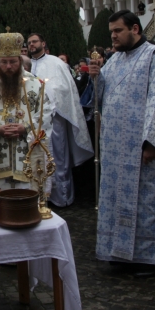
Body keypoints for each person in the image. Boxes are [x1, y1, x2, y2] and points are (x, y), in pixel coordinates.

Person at [89, 10, 155, 277]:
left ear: (135, 29)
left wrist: (153, 142)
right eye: (111, 32)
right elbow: (100, 101)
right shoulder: (114, 61)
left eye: (118, 31)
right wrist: (95, 79)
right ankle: (120, 252)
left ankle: (150, 258)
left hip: (143, 149)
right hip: (116, 150)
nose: (113, 36)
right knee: (117, 201)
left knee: (147, 201)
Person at [0, 31, 54, 192]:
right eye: (4, 62)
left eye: (13, 61)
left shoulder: (35, 84)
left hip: (27, 152)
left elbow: (46, 112)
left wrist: (25, 127)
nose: (8, 66)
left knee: (28, 198)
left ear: (20, 60)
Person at [26, 33, 93, 207]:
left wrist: (48, 97)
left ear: (43, 43)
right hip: (32, 122)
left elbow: (65, 88)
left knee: (57, 157)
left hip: (55, 119)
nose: (32, 45)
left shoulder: (56, 63)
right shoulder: (25, 65)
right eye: (29, 43)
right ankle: (39, 195)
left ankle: (61, 197)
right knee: (34, 158)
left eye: (35, 41)